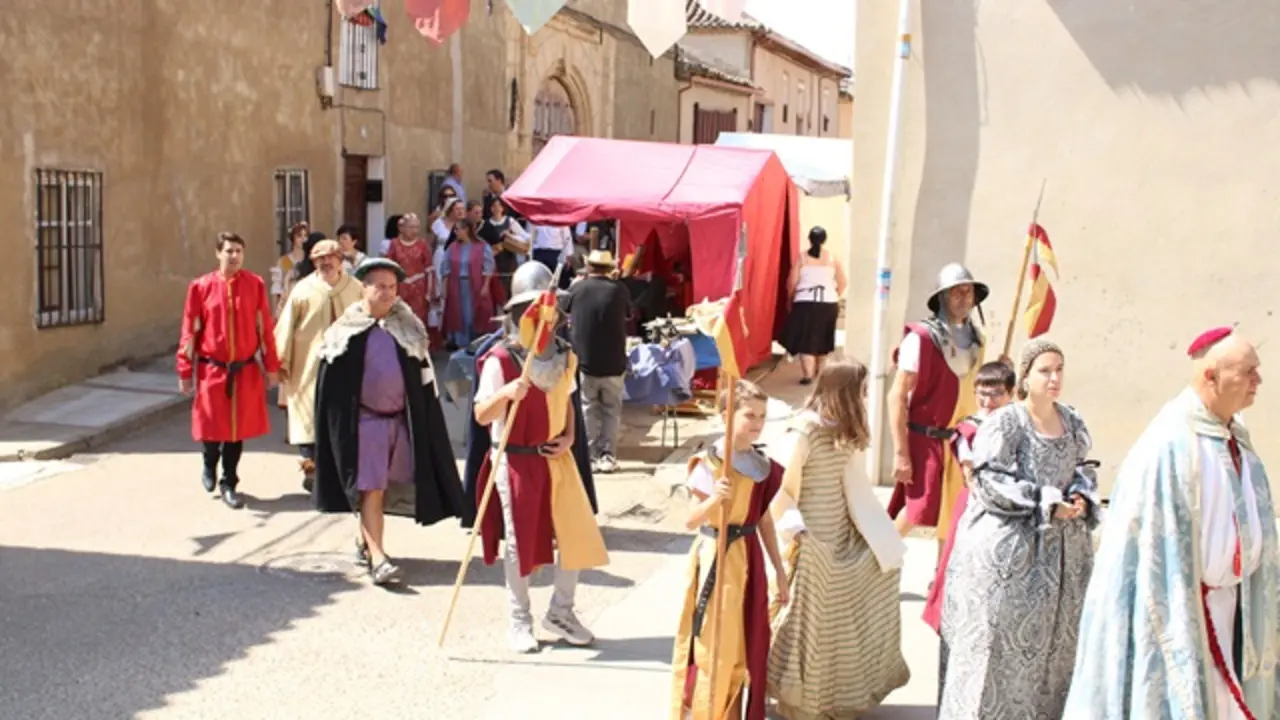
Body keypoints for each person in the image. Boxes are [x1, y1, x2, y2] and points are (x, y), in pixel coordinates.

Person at [1064, 327, 1278, 720]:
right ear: (1210, 376)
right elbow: (1147, 554)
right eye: (1248, 371)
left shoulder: (1233, 436)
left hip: (1234, 609)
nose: (1258, 381)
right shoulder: (1170, 446)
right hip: (1184, 613)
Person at [938, 340, 1098, 719]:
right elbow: (989, 480)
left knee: (1056, 654)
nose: (1054, 377)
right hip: (1010, 553)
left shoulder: (1072, 421)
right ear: (1025, 377)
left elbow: (1085, 467)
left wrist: (1080, 497)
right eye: (1045, 370)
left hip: (1062, 557)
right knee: (995, 655)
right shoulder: (1006, 422)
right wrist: (1044, 500)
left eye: (1059, 368)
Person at [472, 261, 609, 652]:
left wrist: (568, 435)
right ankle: (519, 620)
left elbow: (565, 400)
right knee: (520, 545)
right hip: (515, 461)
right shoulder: (500, 359)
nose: (543, 315)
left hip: (555, 459)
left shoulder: (566, 356)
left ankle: (561, 611)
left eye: (548, 307)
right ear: (518, 313)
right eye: (535, 307)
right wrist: (505, 394)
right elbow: (482, 415)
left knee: (575, 536)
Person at [767, 361, 910, 719]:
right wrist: (799, 532)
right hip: (811, 540)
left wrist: (878, 537)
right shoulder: (802, 432)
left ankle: (837, 696)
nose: (864, 398)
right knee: (810, 625)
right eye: (861, 391)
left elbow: (854, 489)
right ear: (845, 392)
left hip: (842, 534)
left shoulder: (843, 431)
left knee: (876, 577)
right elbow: (780, 490)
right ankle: (801, 702)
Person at [311, 258, 464, 586]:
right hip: (366, 426)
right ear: (363, 287)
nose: (386, 293)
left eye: (392, 287)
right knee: (373, 488)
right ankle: (379, 558)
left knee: (384, 490)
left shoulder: (407, 328)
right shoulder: (345, 333)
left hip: (400, 424)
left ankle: (364, 541)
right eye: (379, 286)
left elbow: (424, 379)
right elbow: (330, 389)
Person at [670, 380, 786, 720]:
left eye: (762, 416)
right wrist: (715, 500)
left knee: (742, 648)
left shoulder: (762, 466)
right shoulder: (709, 463)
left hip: (748, 557)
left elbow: (763, 521)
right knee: (713, 646)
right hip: (716, 557)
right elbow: (691, 521)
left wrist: (779, 570)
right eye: (749, 414)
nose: (757, 423)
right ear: (726, 415)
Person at [919, 360, 1016, 703]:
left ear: (1011, 395)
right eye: (982, 393)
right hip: (977, 510)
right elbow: (973, 476)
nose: (988, 401)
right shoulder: (967, 431)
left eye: (996, 394)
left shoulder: (1021, 425)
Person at [886, 263, 993, 559]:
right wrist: (900, 452)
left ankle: (942, 578)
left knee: (956, 513)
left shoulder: (979, 341)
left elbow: (979, 390)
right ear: (942, 297)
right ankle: (873, 565)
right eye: (955, 292)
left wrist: (1001, 371)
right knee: (915, 509)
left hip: (963, 442)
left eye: (968, 291)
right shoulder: (920, 338)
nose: (963, 297)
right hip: (927, 440)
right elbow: (896, 395)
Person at [177, 232, 281, 510]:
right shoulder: (201, 287)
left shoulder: (255, 285)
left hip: (244, 370)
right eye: (229, 251)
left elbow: (265, 329)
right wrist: (185, 371)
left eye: (238, 251)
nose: (234, 256)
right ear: (218, 254)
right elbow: (190, 332)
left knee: (237, 430)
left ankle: (229, 482)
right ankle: (209, 463)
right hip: (212, 370)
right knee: (212, 428)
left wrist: (272, 366)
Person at [274, 239, 363, 492]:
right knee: (307, 413)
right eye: (319, 259)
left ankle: (341, 472)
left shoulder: (355, 289)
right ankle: (310, 467)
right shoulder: (303, 290)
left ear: (340, 259)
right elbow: (286, 327)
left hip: (346, 363)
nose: (326, 263)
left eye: (330, 257)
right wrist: (282, 360)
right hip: (309, 363)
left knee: (343, 414)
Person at [564, 249, 631, 474]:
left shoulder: (577, 288)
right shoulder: (620, 290)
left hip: (585, 360)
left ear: (589, 267)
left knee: (588, 408)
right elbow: (629, 314)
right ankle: (608, 454)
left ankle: (590, 455)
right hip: (614, 361)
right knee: (612, 410)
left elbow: (561, 310)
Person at [782, 227, 847, 385]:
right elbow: (843, 282)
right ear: (824, 240)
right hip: (828, 303)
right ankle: (820, 375)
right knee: (823, 339)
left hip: (805, 302)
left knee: (806, 340)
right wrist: (835, 293)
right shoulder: (832, 258)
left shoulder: (802, 258)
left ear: (809, 239)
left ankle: (808, 375)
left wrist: (790, 298)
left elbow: (792, 282)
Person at [438, 218, 496, 349]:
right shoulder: (452, 247)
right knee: (458, 314)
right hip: (456, 285)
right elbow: (446, 268)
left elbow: (488, 267)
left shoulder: (482, 246)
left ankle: (476, 341)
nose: (456, 232)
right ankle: (460, 342)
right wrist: (444, 287)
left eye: (459, 229)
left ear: (467, 230)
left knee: (472, 314)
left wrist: (486, 286)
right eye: (455, 229)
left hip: (475, 285)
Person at [477, 194, 528, 301]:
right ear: (490, 208)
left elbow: (525, 237)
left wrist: (510, 235)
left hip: (509, 260)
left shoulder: (510, 221)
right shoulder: (485, 224)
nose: (497, 208)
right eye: (494, 206)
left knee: (509, 288)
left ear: (503, 208)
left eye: (499, 205)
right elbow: (479, 242)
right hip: (493, 261)